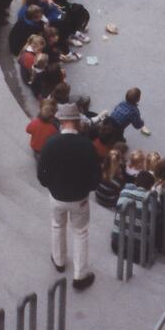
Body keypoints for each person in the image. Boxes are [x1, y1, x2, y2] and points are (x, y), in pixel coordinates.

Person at [37, 100, 100, 289]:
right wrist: (85, 190)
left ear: (62, 121)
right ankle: (80, 276)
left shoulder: (50, 143)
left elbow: (41, 174)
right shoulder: (87, 146)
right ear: (77, 121)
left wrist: (51, 186)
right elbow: (96, 177)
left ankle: (59, 261)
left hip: (57, 195)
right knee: (80, 233)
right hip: (79, 198)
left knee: (57, 226)